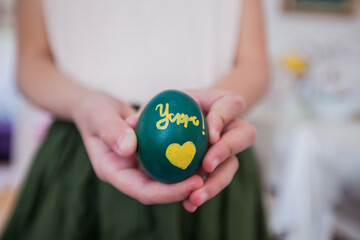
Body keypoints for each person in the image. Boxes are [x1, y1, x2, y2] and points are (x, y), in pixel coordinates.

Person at [2, 0, 270, 239]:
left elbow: (255, 62)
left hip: (207, 144)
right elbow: (30, 62)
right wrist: (82, 104)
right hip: (84, 148)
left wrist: (217, 109)